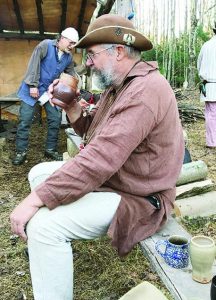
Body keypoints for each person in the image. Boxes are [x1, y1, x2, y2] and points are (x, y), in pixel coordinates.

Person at [10, 14, 184, 300]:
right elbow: (96, 135)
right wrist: (72, 108)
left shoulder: (144, 90)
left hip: (141, 199)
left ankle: (48, 247)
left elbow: (99, 159)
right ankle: (52, 257)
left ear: (118, 51)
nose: (87, 62)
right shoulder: (120, 86)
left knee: (42, 226)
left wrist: (34, 200)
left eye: (91, 54)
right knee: (39, 173)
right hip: (119, 181)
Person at [12, 27, 79, 165]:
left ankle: (50, 149)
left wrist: (75, 89)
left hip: (48, 91)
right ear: (62, 38)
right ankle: (21, 152)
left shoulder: (68, 57)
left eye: (74, 44)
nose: (72, 47)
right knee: (25, 121)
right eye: (71, 43)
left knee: (55, 119)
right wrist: (33, 85)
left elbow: (71, 74)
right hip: (32, 88)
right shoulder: (45, 45)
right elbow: (33, 64)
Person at [197, 22, 216, 149]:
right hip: (209, 84)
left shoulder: (206, 46)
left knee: (210, 113)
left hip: (207, 84)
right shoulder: (207, 45)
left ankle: (212, 142)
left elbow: (199, 64)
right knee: (211, 113)